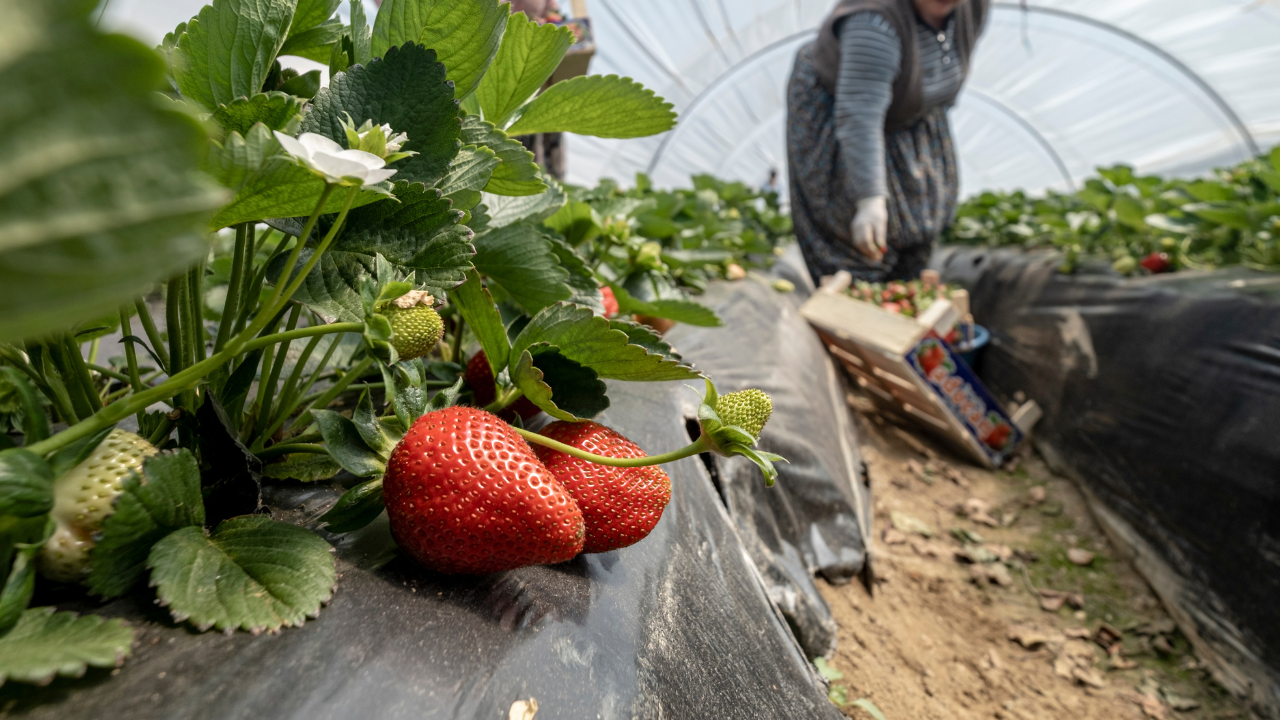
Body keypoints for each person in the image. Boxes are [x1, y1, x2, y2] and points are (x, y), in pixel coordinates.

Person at [786, 0, 988, 284]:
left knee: (917, 229)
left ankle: (905, 296)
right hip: (842, 111)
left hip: (912, 112)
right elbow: (860, 116)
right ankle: (856, 308)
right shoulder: (874, 22)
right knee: (854, 238)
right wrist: (870, 200)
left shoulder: (972, 6)